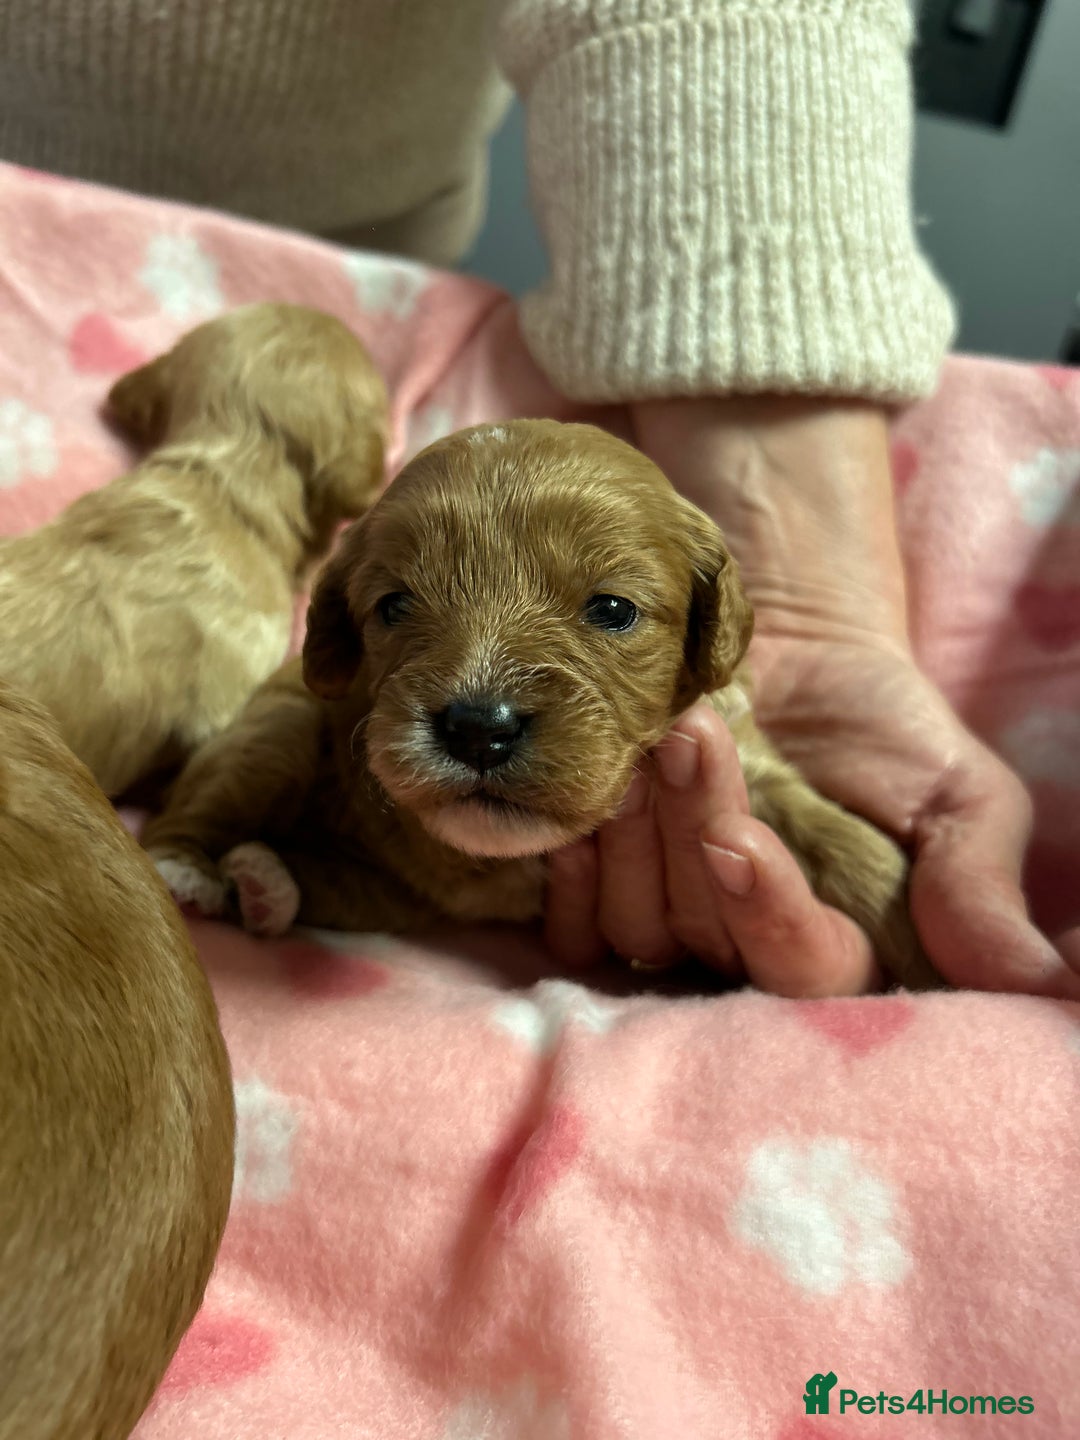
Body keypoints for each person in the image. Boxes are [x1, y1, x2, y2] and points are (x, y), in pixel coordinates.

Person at [2, 0, 1074, 993]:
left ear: (715, 631)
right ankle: (212, 850)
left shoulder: (709, 689)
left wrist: (820, 617)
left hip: (364, 265)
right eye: (397, 607)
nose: (481, 702)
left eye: (612, 611)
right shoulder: (313, 670)